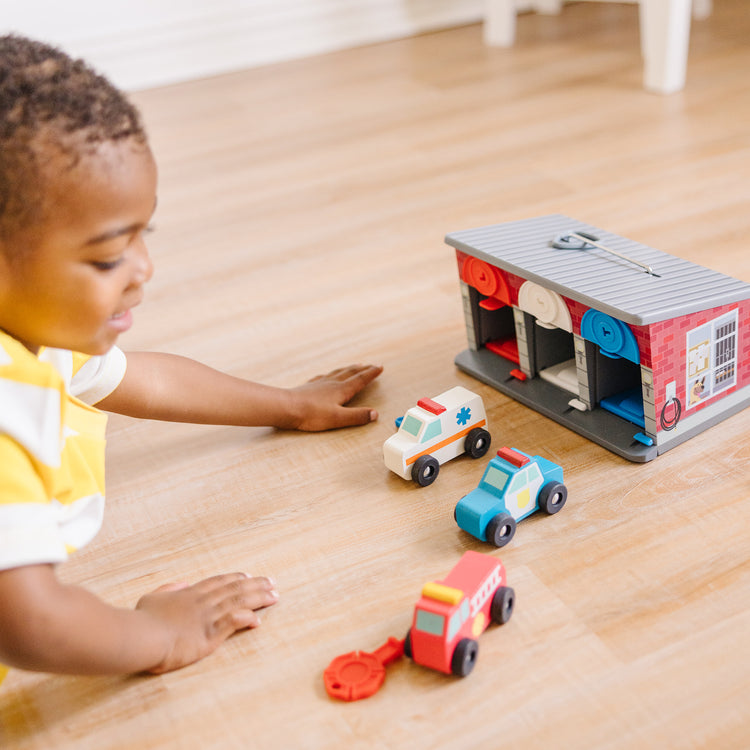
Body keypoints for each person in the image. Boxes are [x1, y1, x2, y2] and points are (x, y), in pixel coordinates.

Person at [0, 34, 382, 683]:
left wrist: (289, 405)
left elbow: (146, 380)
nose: (144, 268)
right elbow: (30, 624)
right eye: (106, 257)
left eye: (144, 234)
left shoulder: (35, 335)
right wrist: (156, 633)